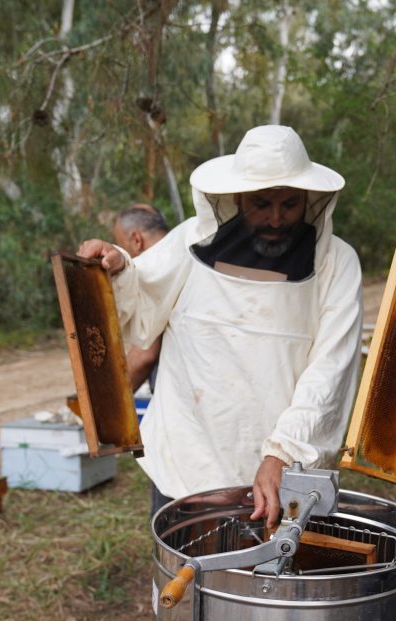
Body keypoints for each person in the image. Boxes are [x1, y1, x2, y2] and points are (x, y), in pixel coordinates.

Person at [78, 125, 362, 527]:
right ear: (237, 196)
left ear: (310, 199)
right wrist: (120, 265)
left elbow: (331, 369)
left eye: (290, 204)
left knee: (265, 586)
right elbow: (140, 310)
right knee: (180, 584)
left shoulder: (337, 263)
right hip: (185, 462)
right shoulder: (188, 243)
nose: (277, 219)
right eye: (262, 203)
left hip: (279, 476)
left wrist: (282, 452)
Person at [111, 203, 170, 394]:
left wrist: (106, 402)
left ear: (137, 240)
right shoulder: (192, 254)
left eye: (121, 245)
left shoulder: (155, 271)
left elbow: (144, 356)